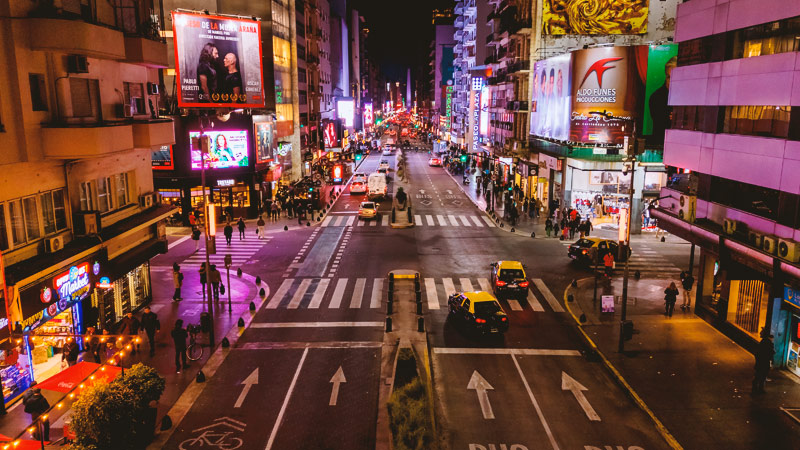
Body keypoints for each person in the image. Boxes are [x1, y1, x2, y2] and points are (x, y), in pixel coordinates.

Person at [753, 329, 775, 394]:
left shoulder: (763, 342)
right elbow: (770, 353)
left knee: (758, 376)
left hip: (760, 362)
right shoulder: (768, 343)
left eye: (761, 333)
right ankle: (759, 389)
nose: (760, 334)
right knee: (762, 376)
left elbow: (757, 353)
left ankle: (755, 388)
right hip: (764, 363)